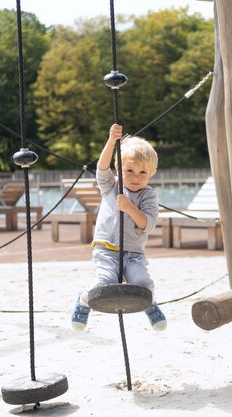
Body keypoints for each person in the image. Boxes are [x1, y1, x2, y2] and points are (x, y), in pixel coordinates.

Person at [71, 124, 167, 332]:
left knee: (143, 283)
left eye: (143, 172)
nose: (135, 177)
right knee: (104, 283)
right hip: (107, 249)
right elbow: (102, 168)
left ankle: (149, 304)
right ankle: (84, 300)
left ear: (152, 173)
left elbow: (147, 224)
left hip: (133, 253)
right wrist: (111, 141)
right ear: (119, 168)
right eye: (129, 170)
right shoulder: (111, 186)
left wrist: (129, 207)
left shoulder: (148, 196)